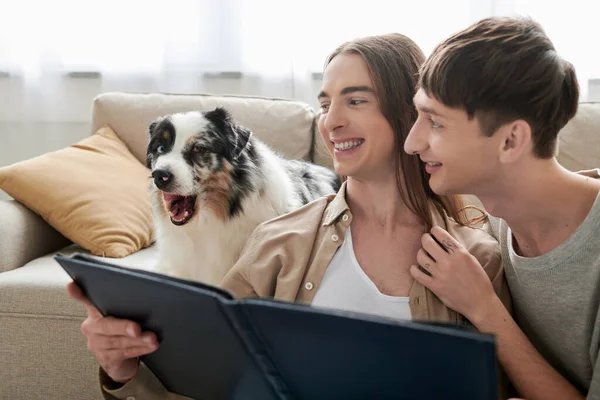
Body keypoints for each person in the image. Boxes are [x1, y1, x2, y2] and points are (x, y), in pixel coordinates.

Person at [67, 33, 511, 400]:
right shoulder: (277, 243)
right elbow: (205, 384)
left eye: (355, 101)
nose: (331, 121)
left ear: (408, 111)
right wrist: (123, 371)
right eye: (325, 104)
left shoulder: (475, 257)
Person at [404, 16, 600, 400]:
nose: (413, 143)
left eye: (436, 123)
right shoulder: (490, 226)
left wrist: (485, 309)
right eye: (418, 115)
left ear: (511, 141)